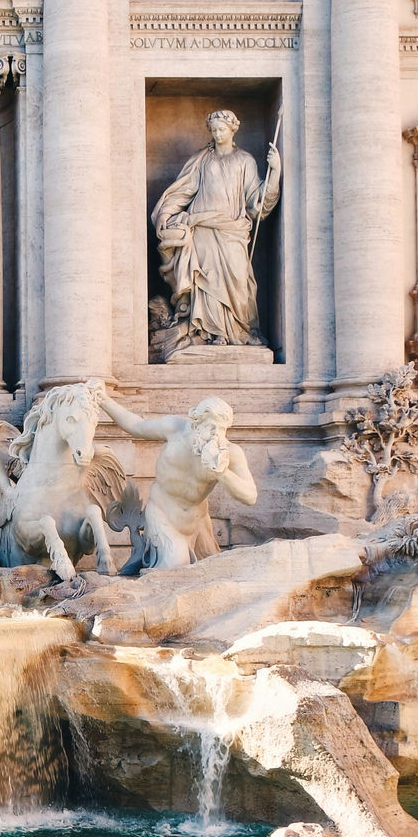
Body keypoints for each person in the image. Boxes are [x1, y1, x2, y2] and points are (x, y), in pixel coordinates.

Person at [90, 382, 257, 571]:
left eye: (222, 429)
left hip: (197, 522)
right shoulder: (174, 429)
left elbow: (250, 496)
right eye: (212, 428)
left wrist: (222, 473)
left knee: (210, 575)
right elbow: (136, 425)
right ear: (197, 422)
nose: (216, 436)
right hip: (163, 514)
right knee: (175, 569)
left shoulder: (229, 452)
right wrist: (103, 399)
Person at [152, 109, 280, 349]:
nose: (218, 134)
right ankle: (212, 332)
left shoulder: (245, 161)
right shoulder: (202, 160)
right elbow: (183, 191)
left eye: (222, 129)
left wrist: (275, 172)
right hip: (202, 227)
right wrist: (166, 213)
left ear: (233, 130)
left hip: (232, 230)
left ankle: (240, 329)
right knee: (206, 281)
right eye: (214, 130)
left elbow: (257, 201)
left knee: (240, 281)